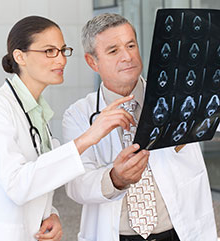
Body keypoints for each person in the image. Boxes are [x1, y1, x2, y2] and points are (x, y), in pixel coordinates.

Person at [0, 16, 137, 241]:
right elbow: (17, 184)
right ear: (20, 56)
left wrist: (50, 214)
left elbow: (40, 176)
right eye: (49, 51)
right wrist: (89, 137)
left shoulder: (37, 112)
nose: (62, 60)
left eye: (63, 50)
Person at [62, 13, 219, 241]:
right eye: (113, 51)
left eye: (131, 45)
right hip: (117, 235)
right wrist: (116, 178)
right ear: (92, 61)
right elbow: (76, 185)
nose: (127, 57)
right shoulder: (78, 115)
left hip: (180, 232)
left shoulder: (180, 98)